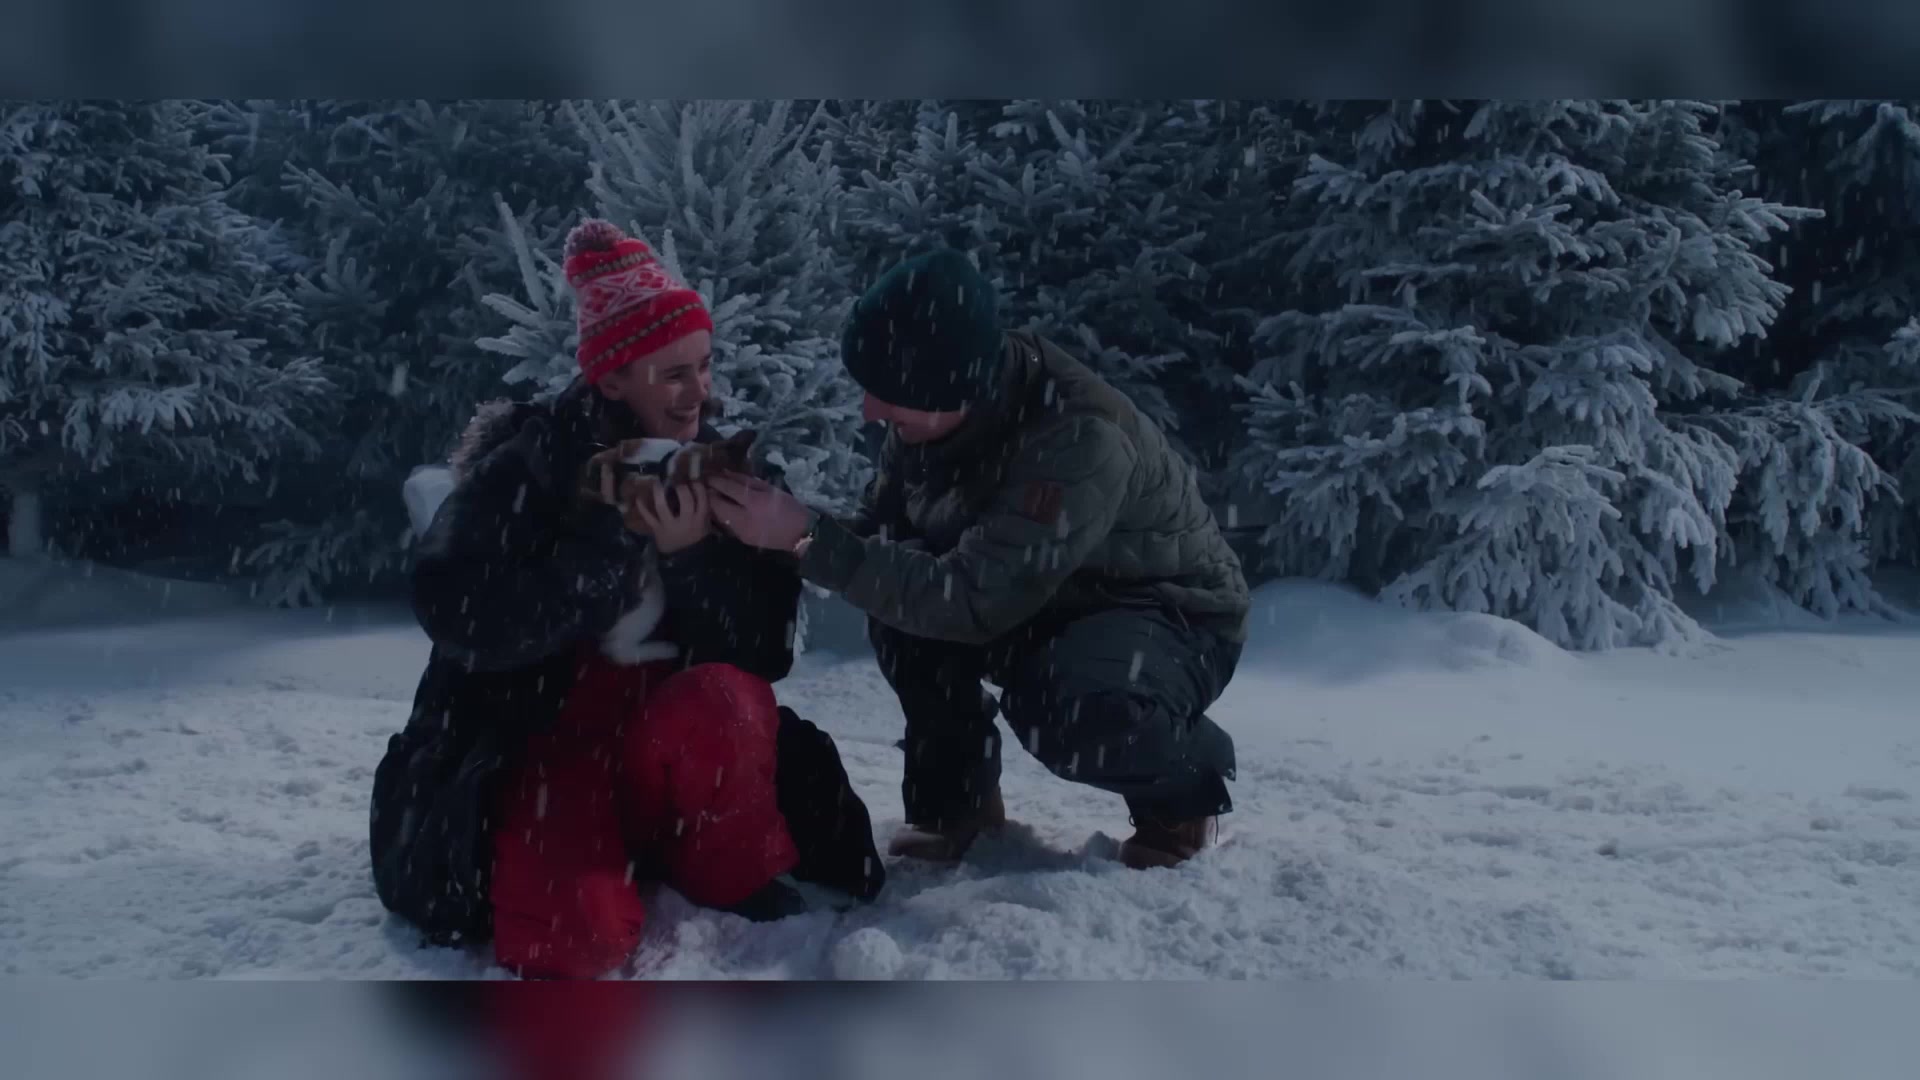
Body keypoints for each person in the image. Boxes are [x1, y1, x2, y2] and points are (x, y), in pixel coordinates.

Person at [370, 219, 884, 981]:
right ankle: (600, 865)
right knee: (571, 943)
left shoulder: (725, 473)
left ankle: (723, 867)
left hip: (677, 744)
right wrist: (608, 552)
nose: (699, 393)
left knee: (726, 701)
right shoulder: (526, 469)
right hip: (549, 750)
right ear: (612, 379)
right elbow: (458, 614)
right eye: (673, 374)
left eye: (704, 367)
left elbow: (765, 655)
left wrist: (693, 561)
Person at [707, 248, 1250, 871]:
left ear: (952, 386)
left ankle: (1183, 792)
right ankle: (956, 803)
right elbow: (878, 539)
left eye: (888, 394)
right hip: (1041, 595)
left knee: (1068, 710)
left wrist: (808, 539)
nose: (871, 411)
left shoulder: (1078, 438)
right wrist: (769, 524)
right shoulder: (935, 412)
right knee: (900, 592)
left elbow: (973, 602)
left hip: (1166, 613)